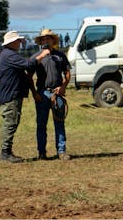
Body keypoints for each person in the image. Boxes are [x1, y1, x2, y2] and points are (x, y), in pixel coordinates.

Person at [0, 31, 50, 163]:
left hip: (10, 94)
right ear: (12, 42)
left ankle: (6, 151)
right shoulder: (9, 55)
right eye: (18, 41)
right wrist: (42, 55)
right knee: (10, 122)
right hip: (10, 95)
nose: (20, 43)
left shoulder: (7, 54)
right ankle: (5, 153)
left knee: (11, 122)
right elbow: (28, 64)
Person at [30, 29, 71, 161]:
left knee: (59, 123)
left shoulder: (60, 56)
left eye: (48, 38)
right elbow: (28, 76)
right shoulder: (36, 57)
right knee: (41, 124)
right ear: (41, 41)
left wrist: (63, 87)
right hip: (42, 93)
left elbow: (67, 73)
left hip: (57, 94)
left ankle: (61, 151)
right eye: (43, 39)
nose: (46, 41)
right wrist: (34, 93)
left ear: (53, 40)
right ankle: (42, 152)